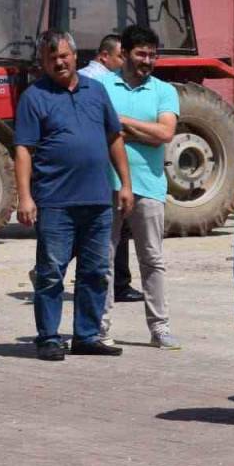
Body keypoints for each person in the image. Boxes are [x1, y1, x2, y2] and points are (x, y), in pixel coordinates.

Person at [14, 30, 134, 361]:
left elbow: (114, 138)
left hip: (97, 200)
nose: (59, 62)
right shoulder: (34, 97)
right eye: (52, 58)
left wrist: (125, 184)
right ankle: (49, 337)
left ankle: (87, 335)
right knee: (52, 272)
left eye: (64, 55)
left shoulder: (96, 91)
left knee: (96, 271)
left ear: (75, 55)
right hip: (55, 201)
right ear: (43, 62)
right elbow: (23, 150)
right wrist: (25, 198)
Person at [97, 26, 181, 350]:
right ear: (126, 53)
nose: (147, 60)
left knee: (152, 260)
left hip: (149, 185)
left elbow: (165, 134)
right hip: (107, 183)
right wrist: (140, 131)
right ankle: (101, 328)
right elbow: (100, 129)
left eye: (152, 54)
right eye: (141, 53)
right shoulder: (102, 85)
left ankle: (159, 328)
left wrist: (122, 125)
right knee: (103, 259)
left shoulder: (164, 91)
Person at [80, 34, 145, 304]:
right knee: (106, 229)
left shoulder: (86, 77)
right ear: (104, 56)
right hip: (105, 165)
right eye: (121, 57)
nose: (125, 62)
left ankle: (118, 283)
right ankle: (118, 284)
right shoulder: (99, 82)